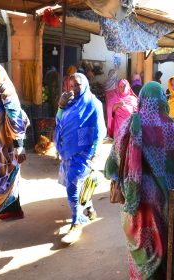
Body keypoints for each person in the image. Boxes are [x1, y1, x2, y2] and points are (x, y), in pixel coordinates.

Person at [104, 81, 174, 279]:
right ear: (162, 99)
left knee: (142, 237)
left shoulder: (131, 123)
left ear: (141, 99)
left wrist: (116, 175)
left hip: (139, 195)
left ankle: (145, 273)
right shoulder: (172, 126)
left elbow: (115, 157)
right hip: (166, 195)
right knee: (164, 234)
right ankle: (163, 270)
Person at [54, 73, 106, 244]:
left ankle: (76, 223)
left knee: (73, 185)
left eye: (77, 85)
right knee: (77, 184)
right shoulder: (69, 103)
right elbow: (59, 123)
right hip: (68, 152)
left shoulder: (93, 103)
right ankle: (89, 209)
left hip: (84, 152)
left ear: (85, 85)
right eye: (72, 85)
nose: (74, 89)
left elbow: (99, 130)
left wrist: (94, 152)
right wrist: (61, 108)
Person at [0, 58, 29, 220]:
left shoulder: (2, 83)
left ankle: (12, 209)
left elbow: (14, 110)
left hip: (2, 139)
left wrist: (19, 143)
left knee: (5, 172)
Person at [103, 69, 119, 136]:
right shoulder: (117, 82)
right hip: (115, 102)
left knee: (109, 116)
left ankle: (109, 131)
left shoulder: (106, 82)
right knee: (115, 116)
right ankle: (114, 131)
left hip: (108, 102)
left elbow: (104, 89)